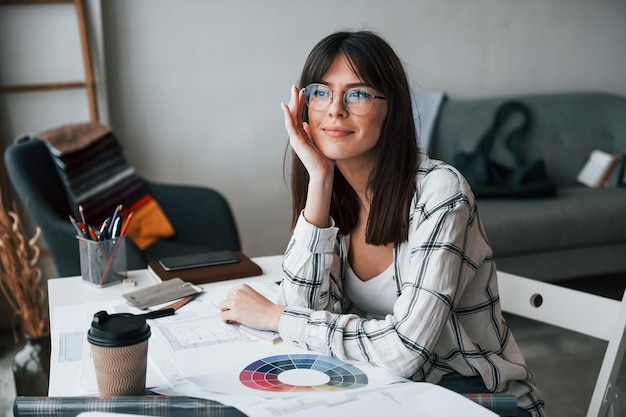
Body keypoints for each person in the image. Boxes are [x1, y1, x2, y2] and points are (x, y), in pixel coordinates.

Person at [219, 30, 545, 417]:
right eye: (321, 92)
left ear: (392, 109)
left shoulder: (441, 191)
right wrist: (319, 181)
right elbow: (302, 307)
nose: (335, 109)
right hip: (388, 392)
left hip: (473, 397)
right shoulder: (335, 193)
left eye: (357, 94)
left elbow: (405, 351)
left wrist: (275, 317)